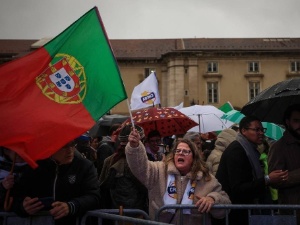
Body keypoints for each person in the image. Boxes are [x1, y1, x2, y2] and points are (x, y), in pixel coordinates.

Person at [126, 130, 231, 224]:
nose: (181, 153)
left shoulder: (206, 178)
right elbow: (139, 167)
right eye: (178, 151)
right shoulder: (159, 170)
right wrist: (135, 147)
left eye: (186, 151)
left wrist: (212, 199)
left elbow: (225, 204)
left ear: (194, 157)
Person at [215, 115, 288, 225]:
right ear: (244, 131)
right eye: (256, 130)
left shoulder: (250, 150)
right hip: (235, 214)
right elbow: (238, 188)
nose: (261, 133)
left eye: (262, 130)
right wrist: (268, 179)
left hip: (243, 211)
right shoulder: (237, 151)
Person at [12, 140, 101, 225]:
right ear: (52, 147)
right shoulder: (35, 167)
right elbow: (16, 197)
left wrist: (71, 206)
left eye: (72, 145)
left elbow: (94, 196)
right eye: (64, 147)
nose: (70, 150)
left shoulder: (84, 166)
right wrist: (23, 207)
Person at [99, 124, 148, 213]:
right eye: (142, 141)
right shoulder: (128, 164)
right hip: (131, 215)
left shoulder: (111, 159)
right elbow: (125, 198)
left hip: (118, 214)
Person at [268, 104, 300, 224]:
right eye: (296, 121)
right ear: (287, 122)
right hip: (292, 213)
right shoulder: (278, 147)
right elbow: (275, 180)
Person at [0, 147, 27, 211]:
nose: (19, 153)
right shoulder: (1, 168)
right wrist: (3, 187)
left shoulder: (36, 167)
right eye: (15, 149)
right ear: (6, 151)